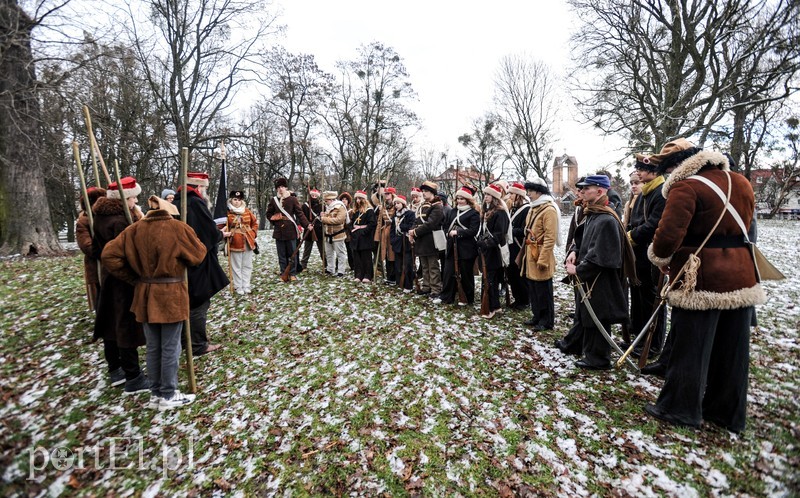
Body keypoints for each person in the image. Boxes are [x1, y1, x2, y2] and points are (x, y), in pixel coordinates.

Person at [644, 139, 765, 433]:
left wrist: (659, 257)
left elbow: (668, 236)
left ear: (678, 167)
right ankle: (726, 413)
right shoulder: (742, 183)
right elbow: (747, 228)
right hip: (741, 275)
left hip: (701, 278)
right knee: (732, 351)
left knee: (691, 347)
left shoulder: (686, 187)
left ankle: (680, 408)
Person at [101, 196, 207, 410]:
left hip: (145, 293)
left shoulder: (134, 229)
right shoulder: (177, 227)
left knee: (153, 347)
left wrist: (136, 278)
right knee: (170, 346)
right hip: (170, 294)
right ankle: (167, 393)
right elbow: (198, 255)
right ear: (170, 212)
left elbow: (109, 255)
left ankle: (157, 393)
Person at [565, 175, 634, 370]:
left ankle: (599, 359)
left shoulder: (606, 219)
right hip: (590, 277)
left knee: (598, 316)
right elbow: (584, 241)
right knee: (588, 316)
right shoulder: (593, 214)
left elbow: (603, 257)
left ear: (600, 191)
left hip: (600, 279)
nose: (583, 191)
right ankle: (591, 355)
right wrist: (574, 252)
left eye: (588, 188)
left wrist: (578, 269)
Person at [91, 176, 148, 393]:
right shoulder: (120, 221)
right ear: (126, 198)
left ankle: (115, 368)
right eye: (133, 198)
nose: (135, 202)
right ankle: (133, 376)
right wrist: (135, 276)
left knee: (112, 324)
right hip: (122, 280)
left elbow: (98, 250)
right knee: (126, 326)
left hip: (109, 277)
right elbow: (128, 253)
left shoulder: (101, 216)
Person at [174, 171, 228, 356]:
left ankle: (186, 340)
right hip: (197, 260)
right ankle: (197, 344)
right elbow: (208, 233)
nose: (205, 191)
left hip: (182, 258)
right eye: (204, 188)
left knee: (187, 301)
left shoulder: (177, 202)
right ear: (198, 187)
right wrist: (221, 234)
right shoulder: (196, 203)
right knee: (198, 302)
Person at [627, 155, 667, 359]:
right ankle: (642, 338)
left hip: (650, 254)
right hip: (639, 254)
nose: (639, 173)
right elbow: (636, 221)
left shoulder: (661, 193)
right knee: (642, 299)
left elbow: (653, 224)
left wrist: (629, 237)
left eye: (641, 169)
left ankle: (653, 344)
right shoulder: (646, 192)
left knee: (653, 301)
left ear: (654, 171)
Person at [520, 177, 560, 331]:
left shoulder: (548, 209)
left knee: (544, 291)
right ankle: (537, 315)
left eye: (530, 191)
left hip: (541, 254)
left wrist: (543, 259)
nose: (528, 194)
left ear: (539, 191)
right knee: (534, 288)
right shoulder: (533, 207)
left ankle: (546, 320)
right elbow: (528, 228)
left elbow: (550, 237)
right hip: (531, 253)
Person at [555, 177, 587, 356]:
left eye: (583, 190)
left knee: (583, 305)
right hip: (575, 254)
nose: (579, 193)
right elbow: (574, 233)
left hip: (584, 262)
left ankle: (575, 341)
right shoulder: (580, 207)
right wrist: (571, 250)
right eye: (579, 190)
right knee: (578, 302)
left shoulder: (593, 211)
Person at [437, 185, 480, 306]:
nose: (459, 201)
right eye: (458, 198)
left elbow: (473, 231)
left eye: (462, 199)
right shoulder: (452, 211)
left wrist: (458, 232)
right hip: (452, 247)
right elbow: (446, 225)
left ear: (468, 200)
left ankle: (467, 298)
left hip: (466, 248)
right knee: (448, 272)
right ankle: (446, 296)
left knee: (466, 274)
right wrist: (447, 233)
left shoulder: (473, 213)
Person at [266, 177, 310, 282]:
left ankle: (292, 273)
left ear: (286, 187)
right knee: (281, 254)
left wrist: (306, 225)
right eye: (278, 187)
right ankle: (283, 273)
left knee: (292, 254)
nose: (280, 189)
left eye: (282, 187)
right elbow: (268, 214)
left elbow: (300, 213)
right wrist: (274, 218)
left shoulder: (292, 199)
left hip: (290, 230)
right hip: (278, 231)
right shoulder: (274, 200)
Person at [477, 184, 510, 318]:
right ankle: (495, 305)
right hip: (486, 250)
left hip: (494, 251)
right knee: (490, 278)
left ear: (495, 197)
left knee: (490, 279)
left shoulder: (500, 212)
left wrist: (485, 243)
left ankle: (490, 308)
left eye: (489, 195)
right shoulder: (485, 211)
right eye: (485, 195)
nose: (486, 197)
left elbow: (499, 234)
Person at [409, 181, 444, 299]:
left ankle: (435, 289)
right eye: (423, 191)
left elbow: (431, 224)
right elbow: (417, 220)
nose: (423, 193)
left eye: (426, 191)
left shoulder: (438, 206)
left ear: (432, 192)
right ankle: (426, 286)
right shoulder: (423, 206)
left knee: (433, 266)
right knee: (424, 265)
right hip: (422, 240)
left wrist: (415, 232)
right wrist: (412, 231)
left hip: (431, 240)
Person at [222, 190, 258, 295]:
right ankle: (238, 286)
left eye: (239, 200)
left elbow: (255, 223)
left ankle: (246, 285)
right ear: (231, 200)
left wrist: (253, 233)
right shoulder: (227, 213)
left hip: (248, 241)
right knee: (236, 266)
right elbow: (221, 227)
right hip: (235, 242)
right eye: (235, 199)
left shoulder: (247, 211)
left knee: (247, 265)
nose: (237, 202)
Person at [76, 186, 106, 310]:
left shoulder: (106, 218)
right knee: (100, 294)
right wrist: (105, 251)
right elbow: (87, 245)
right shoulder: (83, 222)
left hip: (111, 264)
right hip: (96, 264)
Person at [506, 182, 530, 310]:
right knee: (512, 274)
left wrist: (509, 230)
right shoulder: (513, 209)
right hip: (511, 245)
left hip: (519, 245)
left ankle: (524, 300)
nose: (509, 196)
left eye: (511, 193)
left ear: (518, 195)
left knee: (520, 274)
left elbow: (524, 230)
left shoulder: (527, 209)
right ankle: (517, 298)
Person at [390, 195, 416, 292]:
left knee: (408, 265)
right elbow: (392, 230)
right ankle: (400, 282)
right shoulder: (395, 215)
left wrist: (401, 226)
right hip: (397, 243)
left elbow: (411, 225)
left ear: (403, 204)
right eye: (395, 203)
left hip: (407, 242)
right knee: (398, 265)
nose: (396, 205)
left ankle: (408, 285)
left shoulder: (410, 214)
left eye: (398, 203)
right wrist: (393, 240)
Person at [372, 184, 396, 284]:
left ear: (392, 194)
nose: (386, 196)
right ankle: (389, 277)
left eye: (388, 194)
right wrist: (377, 236)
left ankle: (394, 278)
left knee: (392, 256)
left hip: (393, 232)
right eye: (385, 194)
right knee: (385, 255)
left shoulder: (396, 205)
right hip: (384, 233)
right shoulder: (383, 207)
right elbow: (379, 222)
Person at [349, 190, 376, 282]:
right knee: (357, 258)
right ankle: (358, 275)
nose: (357, 200)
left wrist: (362, 231)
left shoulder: (369, 211)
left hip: (365, 238)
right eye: (356, 198)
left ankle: (367, 275)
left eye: (360, 198)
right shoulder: (355, 211)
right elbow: (352, 222)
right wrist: (352, 230)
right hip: (356, 238)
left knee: (366, 258)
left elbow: (372, 224)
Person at [320, 191, 348, 277]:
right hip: (328, 234)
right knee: (329, 253)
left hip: (338, 234)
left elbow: (339, 220)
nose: (325, 202)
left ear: (331, 199)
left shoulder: (340, 207)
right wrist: (323, 215)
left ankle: (341, 270)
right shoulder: (327, 208)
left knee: (340, 253)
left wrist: (324, 219)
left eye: (327, 200)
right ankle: (330, 269)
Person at [299, 188, 324, 272]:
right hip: (309, 230)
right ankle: (303, 265)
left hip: (319, 230)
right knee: (307, 249)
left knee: (322, 249)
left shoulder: (321, 206)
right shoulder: (305, 206)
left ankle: (326, 264)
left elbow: (323, 218)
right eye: (312, 195)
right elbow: (301, 218)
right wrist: (306, 225)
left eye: (315, 196)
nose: (314, 197)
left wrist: (322, 215)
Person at [339, 191, 355, 272]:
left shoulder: (351, 211)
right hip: (339, 233)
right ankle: (338, 266)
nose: (344, 200)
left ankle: (353, 266)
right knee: (339, 251)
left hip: (348, 234)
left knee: (350, 251)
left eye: (346, 199)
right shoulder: (338, 210)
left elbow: (351, 223)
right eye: (342, 199)